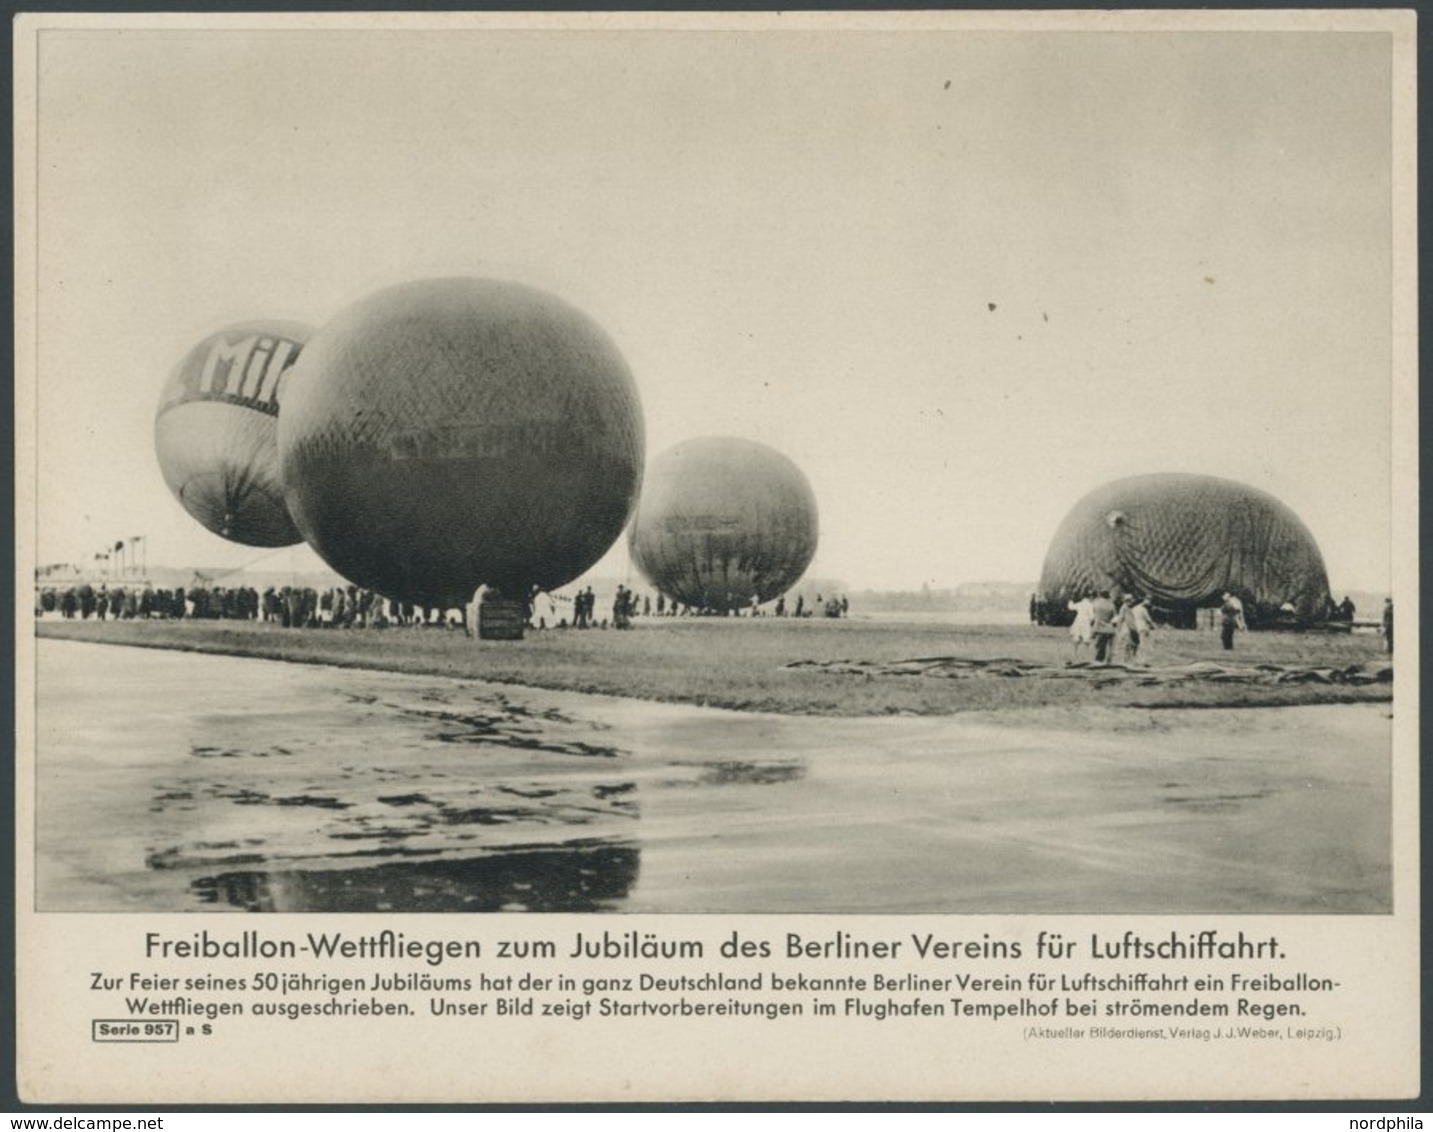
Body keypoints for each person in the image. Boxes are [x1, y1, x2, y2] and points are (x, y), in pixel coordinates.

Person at [1119, 595, 1156, 664]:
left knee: (1133, 644)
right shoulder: (1140, 609)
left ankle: (1130, 659)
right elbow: (1148, 620)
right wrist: (1153, 627)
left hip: (1135, 628)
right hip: (1140, 628)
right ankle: (1138, 660)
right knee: (1139, 644)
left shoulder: (1133, 608)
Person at [1089, 590, 1117, 664]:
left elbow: (1092, 616)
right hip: (1109, 628)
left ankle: (1098, 662)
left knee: (1099, 647)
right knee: (1109, 647)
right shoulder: (1111, 605)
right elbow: (1114, 617)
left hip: (1099, 627)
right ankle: (1108, 662)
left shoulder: (1096, 603)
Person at [1067, 593, 1094, 657]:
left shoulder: (1080, 604)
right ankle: (1085, 653)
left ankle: (1075, 653)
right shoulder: (1090, 605)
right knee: (1086, 637)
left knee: (1077, 637)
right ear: (1090, 597)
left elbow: (1071, 607)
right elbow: (1092, 616)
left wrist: (1070, 601)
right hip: (1086, 621)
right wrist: (1091, 621)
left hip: (1078, 621)